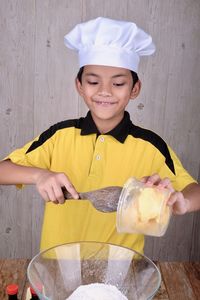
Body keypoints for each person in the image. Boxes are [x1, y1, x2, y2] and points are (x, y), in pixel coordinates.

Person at [0, 17, 199, 254]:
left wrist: (182, 202)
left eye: (118, 83)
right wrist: (39, 175)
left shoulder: (151, 146)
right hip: (58, 266)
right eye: (94, 81)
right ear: (80, 86)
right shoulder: (59, 136)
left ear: (134, 89)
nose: (104, 91)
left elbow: (194, 191)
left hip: (121, 272)